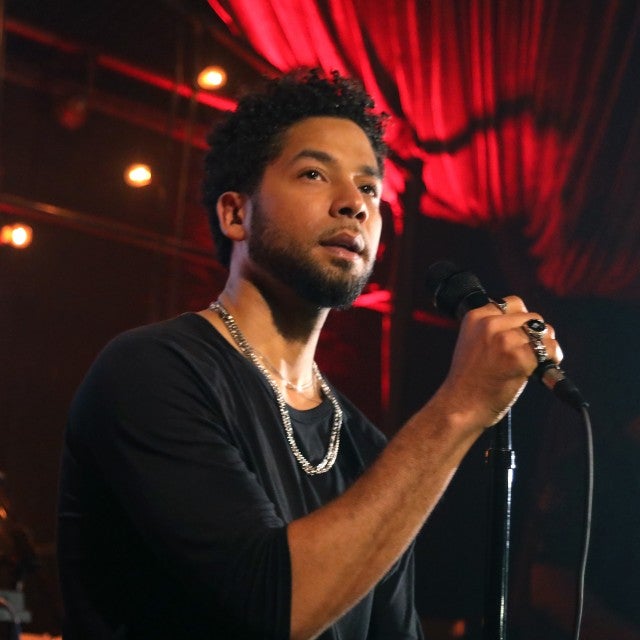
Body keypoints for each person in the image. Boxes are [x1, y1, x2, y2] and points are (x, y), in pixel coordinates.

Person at [56, 68, 562, 639]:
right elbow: (273, 609)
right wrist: (461, 406)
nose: (354, 205)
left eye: (370, 188)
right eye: (315, 173)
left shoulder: (367, 449)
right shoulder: (152, 371)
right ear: (236, 214)